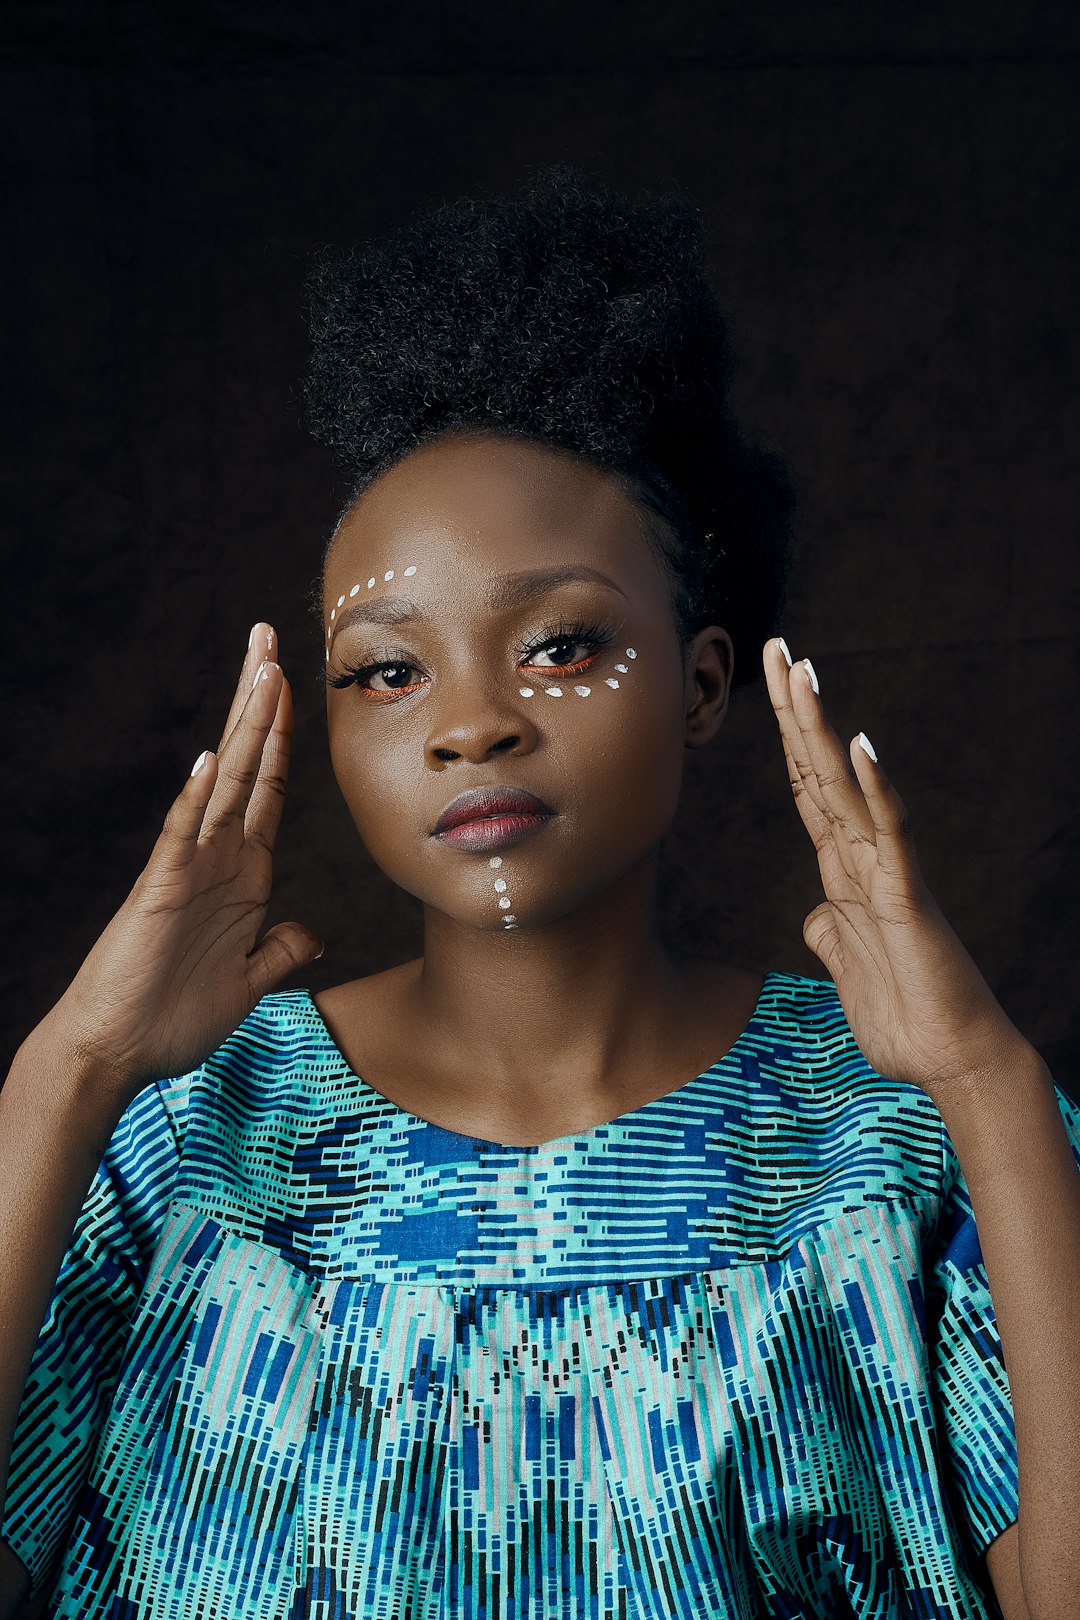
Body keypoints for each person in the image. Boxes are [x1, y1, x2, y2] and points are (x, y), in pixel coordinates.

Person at [0, 162, 1077, 1620]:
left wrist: (993, 1084)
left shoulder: (909, 1137)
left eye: (562, 645)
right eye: (388, 668)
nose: (471, 722)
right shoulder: (172, 1146)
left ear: (703, 685)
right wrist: (61, 1080)